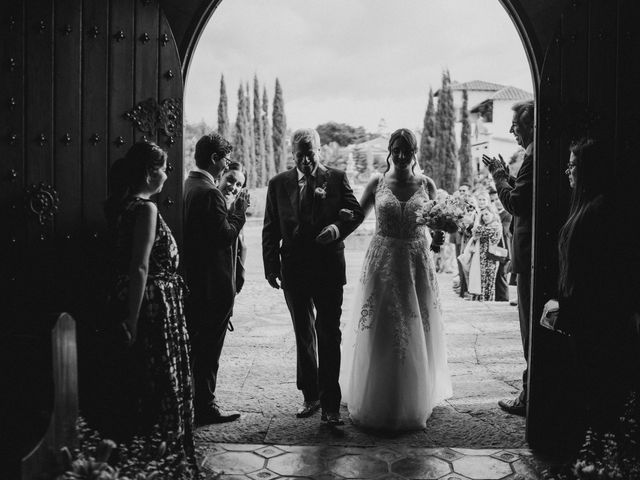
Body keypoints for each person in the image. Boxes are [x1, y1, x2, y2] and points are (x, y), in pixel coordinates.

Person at [341, 128, 452, 431]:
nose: (402, 156)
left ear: (415, 152)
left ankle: (414, 397)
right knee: (382, 327)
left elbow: (437, 224)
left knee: (415, 326)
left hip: (416, 263)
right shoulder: (377, 183)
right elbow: (356, 216)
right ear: (390, 151)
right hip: (383, 262)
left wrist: (441, 233)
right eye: (397, 150)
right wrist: (335, 227)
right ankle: (378, 395)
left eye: (408, 150)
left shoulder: (426, 184)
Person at [262, 128, 364, 426]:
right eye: (300, 155)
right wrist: (271, 267)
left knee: (329, 334)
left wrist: (336, 229)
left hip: (328, 268)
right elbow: (270, 227)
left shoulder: (336, 178)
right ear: (292, 153)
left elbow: (355, 212)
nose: (306, 160)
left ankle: (331, 405)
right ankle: (310, 396)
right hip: (293, 269)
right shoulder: (278, 184)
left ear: (319, 150)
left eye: (310, 154)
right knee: (303, 334)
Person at [104, 141, 194, 461]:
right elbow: (139, 266)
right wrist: (132, 318)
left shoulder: (120, 205)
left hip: (134, 298)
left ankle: (148, 449)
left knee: (142, 377)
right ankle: (162, 450)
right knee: (160, 378)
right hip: (152, 305)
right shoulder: (145, 209)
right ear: (147, 173)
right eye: (162, 169)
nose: (167, 175)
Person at [558, 138, 639, 434]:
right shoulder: (589, 209)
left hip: (598, 325)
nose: (568, 172)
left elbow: (597, 277)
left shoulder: (599, 212)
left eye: (573, 166)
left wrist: (566, 309)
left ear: (589, 170)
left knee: (598, 396)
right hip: (588, 321)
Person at [183, 133, 249, 425]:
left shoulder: (187, 185)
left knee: (197, 348)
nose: (225, 166)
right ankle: (205, 406)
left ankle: (192, 401)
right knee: (209, 351)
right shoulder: (210, 193)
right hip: (212, 286)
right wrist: (238, 214)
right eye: (223, 160)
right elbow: (223, 236)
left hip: (195, 282)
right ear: (214, 158)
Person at [482, 99, 534, 417]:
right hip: (527, 254)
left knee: (529, 329)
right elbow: (525, 195)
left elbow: (515, 204)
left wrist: (499, 177)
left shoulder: (533, 157)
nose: (511, 130)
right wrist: (509, 177)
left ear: (529, 126)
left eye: (515, 125)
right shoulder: (532, 158)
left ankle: (530, 395)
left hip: (531, 255)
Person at [467, 207, 502, 301]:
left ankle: (487, 302)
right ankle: (482, 300)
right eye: (482, 215)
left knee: (488, 284)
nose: (484, 217)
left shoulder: (495, 225)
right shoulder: (486, 226)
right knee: (482, 282)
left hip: (490, 258)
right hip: (482, 258)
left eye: (487, 214)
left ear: (493, 214)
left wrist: (477, 218)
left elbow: (475, 231)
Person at [490, 188, 512, 302]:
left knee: (502, 275)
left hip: (505, 249)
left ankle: (503, 298)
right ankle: (499, 298)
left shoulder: (507, 214)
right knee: (498, 275)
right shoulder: (495, 214)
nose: (497, 202)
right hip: (497, 249)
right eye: (494, 200)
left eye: (498, 199)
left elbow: (506, 232)